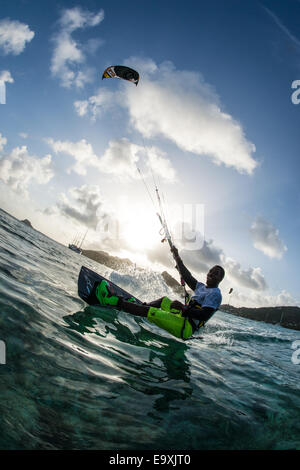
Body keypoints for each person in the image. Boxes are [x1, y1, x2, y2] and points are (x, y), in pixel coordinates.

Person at [95, 245, 225, 340]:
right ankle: (141, 306)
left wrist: (183, 308)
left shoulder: (215, 294)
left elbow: (204, 315)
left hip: (186, 328)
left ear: (220, 279)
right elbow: (186, 275)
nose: (211, 274)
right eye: (211, 271)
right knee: (164, 301)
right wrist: (177, 256)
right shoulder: (201, 287)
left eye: (216, 274)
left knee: (152, 313)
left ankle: (113, 301)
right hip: (182, 316)